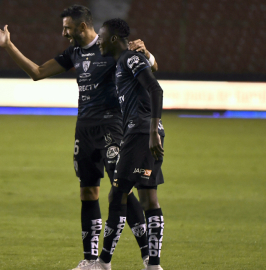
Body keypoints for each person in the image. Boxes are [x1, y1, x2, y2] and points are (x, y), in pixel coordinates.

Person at [0, 5, 158, 270]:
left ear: (81, 26)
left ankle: (147, 254)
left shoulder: (110, 46)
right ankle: (91, 261)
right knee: (88, 191)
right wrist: (8, 46)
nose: (63, 32)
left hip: (112, 127)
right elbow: (37, 72)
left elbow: (149, 65)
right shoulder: (74, 53)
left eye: (67, 27)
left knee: (121, 189)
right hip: (84, 129)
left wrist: (148, 53)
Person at [78, 18, 166, 270]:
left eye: (102, 38)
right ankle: (154, 265)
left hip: (140, 133)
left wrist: (151, 131)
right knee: (148, 198)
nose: (100, 42)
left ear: (114, 39)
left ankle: (103, 263)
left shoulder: (129, 59)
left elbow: (155, 89)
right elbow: (151, 68)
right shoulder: (124, 61)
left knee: (117, 194)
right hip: (145, 132)